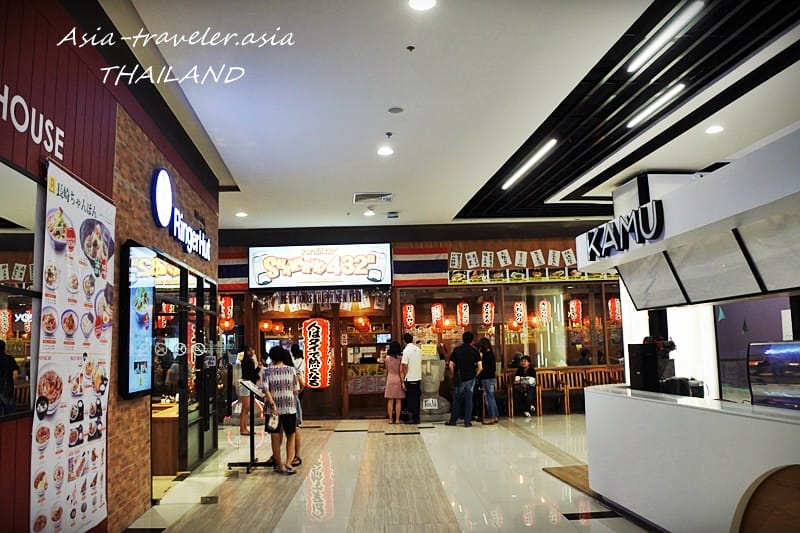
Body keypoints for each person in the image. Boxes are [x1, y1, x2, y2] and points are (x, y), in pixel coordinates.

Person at [261, 346, 299, 475]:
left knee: (275, 436)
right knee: (291, 435)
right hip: (289, 407)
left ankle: (279, 465)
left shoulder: (267, 371)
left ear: (272, 357)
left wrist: (272, 403)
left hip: (273, 410)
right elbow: (296, 389)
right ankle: (288, 463)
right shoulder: (291, 370)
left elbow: (265, 389)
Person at [446, 332, 482, 427]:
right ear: (472, 340)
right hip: (470, 378)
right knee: (469, 400)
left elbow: (451, 365)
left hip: (459, 378)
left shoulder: (457, 350)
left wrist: (453, 374)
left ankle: (453, 421)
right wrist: (474, 375)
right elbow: (480, 367)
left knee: (457, 399)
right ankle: (467, 422)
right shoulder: (475, 351)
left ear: (463, 339)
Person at [289, 344, 306, 467]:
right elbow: (302, 382)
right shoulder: (303, 360)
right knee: (298, 404)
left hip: (293, 391)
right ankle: (296, 456)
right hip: (299, 387)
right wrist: (299, 391)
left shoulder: (292, 362)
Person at [400, 333, 422, 424]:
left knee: (410, 399)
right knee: (416, 398)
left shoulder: (406, 351)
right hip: (418, 377)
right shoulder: (418, 349)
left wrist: (403, 378)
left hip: (410, 378)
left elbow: (405, 366)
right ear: (412, 340)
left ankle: (412, 418)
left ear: (404, 341)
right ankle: (417, 417)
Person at [238, 345, 261, 435]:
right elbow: (249, 374)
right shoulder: (246, 361)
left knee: (246, 408)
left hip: (249, 385)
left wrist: (258, 368)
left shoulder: (249, 360)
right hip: (246, 385)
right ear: (246, 352)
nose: (252, 352)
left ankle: (244, 428)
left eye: (252, 350)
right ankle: (243, 428)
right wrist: (257, 375)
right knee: (246, 408)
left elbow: (252, 373)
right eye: (249, 350)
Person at [477, 337, 498, 425]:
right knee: (491, 397)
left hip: (486, 378)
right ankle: (495, 416)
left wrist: (477, 375)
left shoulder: (485, 355)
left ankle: (491, 417)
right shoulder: (491, 354)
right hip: (491, 377)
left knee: (488, 398)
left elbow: (482, 368)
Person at [384, 341, 405, 423]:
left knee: (390, 400)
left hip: (390, 379)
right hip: (398, 379)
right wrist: (402, 381)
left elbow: (386, 370)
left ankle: (390, 419)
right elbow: (401, 371)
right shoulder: (400, 358)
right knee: (398, 400)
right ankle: (397, 420)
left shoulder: (387, 358)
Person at [0, 340, 20, 415]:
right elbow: (15, 374)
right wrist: (12, 383)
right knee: (10, 412)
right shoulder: (10, 358)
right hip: (7, 388)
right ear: (4, 348)